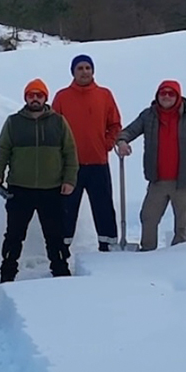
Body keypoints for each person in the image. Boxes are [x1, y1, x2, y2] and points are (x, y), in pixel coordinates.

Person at [0, 79, 79, 282]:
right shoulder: (13, 122)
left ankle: (60, 269)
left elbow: (70, 153)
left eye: (39, 95)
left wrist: (69, 180)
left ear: (45, 98)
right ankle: (8, 273)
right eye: (31, 95)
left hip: (52, 188)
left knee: (54, 234)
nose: (35, 98)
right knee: (14, 235)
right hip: (20, 189)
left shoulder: (58, 122)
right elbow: (2, 149)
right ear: (26, 98)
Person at [116, 80, 186, 251]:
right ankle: (147, 253)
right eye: (163, 93)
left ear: (178, 96)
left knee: (181, 225)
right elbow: (129, 131)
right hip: (158, 181)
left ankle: (177, 258)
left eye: (171, 93)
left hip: (183, 182)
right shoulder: (149, 115)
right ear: (157, 95)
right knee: (148, 218)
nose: (166, 97)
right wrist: (122, 141)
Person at [52, 54, 122, 252]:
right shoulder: (62, 97)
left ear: (93, 71)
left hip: (98, 162)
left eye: (87, 68)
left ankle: (107, 244)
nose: (84, 72)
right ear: (73, 72)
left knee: (103, 207)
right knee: (66, 209)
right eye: (80, 68)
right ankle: (61, 248)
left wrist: (106, 144)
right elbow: (53, 128)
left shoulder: (104, 95)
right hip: (70, 167)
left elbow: (115, 124)